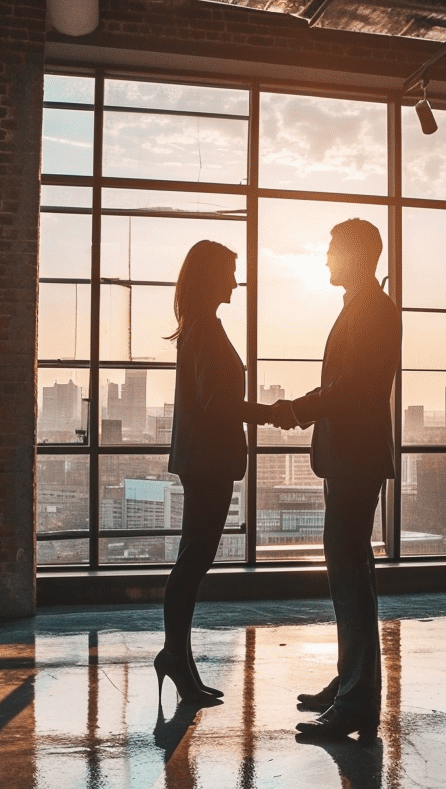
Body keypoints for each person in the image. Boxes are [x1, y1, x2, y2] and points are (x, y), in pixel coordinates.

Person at [272, 218, 401, 740]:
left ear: (357, 254)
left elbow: (351, 391)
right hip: (348, 458)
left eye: (331, 251)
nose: (325, 260)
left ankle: (356, 703)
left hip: (354, 458)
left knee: (350, 581)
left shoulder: (371, 310)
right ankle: (352, 684)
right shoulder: (363, 306)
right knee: (350, 579)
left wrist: (295, 409)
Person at [157, 240, 272, 707]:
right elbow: (217, 403)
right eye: (229, 271)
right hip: (208, 461)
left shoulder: (200, 327)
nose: (235, 281)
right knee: (193, 562)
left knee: (193, 559)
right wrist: (269, 413)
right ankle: (175, 659)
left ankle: (179, 662)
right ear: (210, 277)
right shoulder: (204, 329)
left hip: (203, 459)